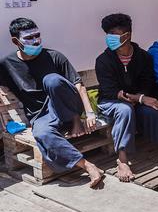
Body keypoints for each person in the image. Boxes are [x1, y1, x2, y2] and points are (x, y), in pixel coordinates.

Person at [0, 18, 104, 187]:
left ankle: (74, 120)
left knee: (52, 80)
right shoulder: (7, 65)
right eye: (29, 38)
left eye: (38, 35)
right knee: (42, 134)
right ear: (15, 41)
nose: (35, 40)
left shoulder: (54, 56)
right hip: (40, 115)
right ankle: (87, 165)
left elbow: (79, 85)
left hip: (66, 106)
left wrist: (87, 113)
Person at [96, 14, 158, 179]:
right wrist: (139, 99)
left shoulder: (143, 57)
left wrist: (141, 98)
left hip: (137, 100)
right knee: (125, 110)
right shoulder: (103, 60)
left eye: (114, 34)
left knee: (151, 112)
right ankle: (123, 161)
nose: (110, 38)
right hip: (111, 102)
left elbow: (146, 85)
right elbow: (110, 91)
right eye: (108, 34)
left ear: (128, 35)